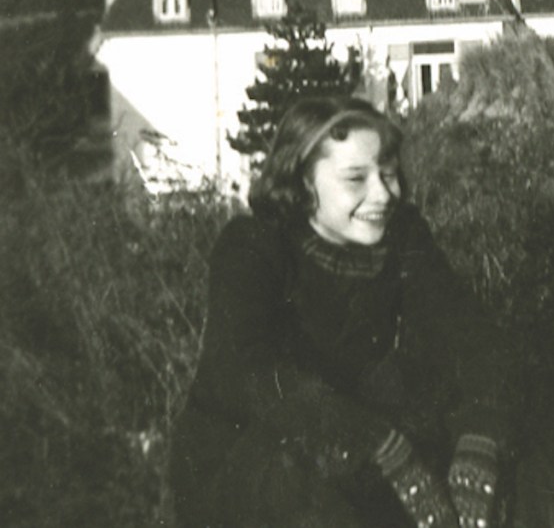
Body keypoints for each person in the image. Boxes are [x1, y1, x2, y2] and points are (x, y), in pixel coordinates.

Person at [169, 96, 529, 528]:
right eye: (356, 178)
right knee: (298, 479)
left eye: (389, 173)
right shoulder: (253, 245)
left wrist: (480, 435)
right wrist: (372, 442)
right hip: (246, 465)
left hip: (356, 449)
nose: (383, 193)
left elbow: (465, 332)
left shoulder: (402, 236)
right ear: (303, 183)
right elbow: (246, 371)